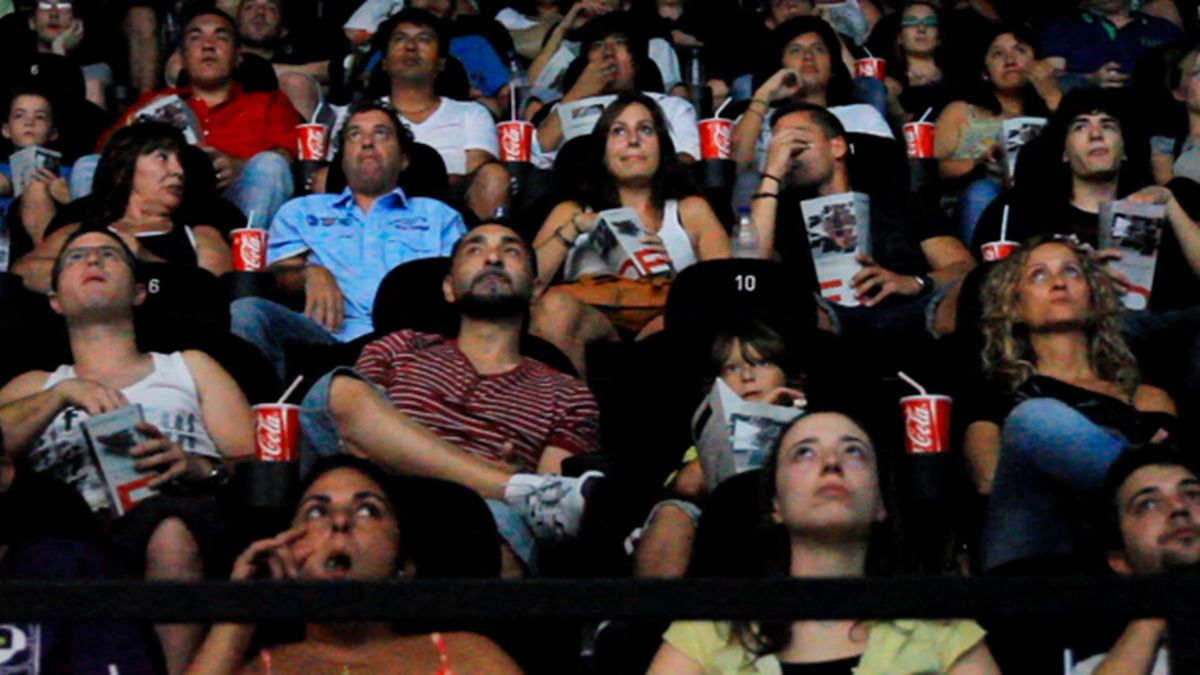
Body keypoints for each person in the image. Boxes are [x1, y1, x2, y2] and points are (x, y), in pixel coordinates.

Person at [0, 228, 256, 674]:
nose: (93, 262)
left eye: (108, 255)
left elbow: (257, 466)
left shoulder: (189, 367)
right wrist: (61, 395)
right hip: (61, 531)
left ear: (139, 292)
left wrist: (199, 466)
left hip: (175, 516)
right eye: (76, 257)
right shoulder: (31, 386)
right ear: (55, 299)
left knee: (171, 528)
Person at [297, 222, 603, 572]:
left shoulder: (568, 393)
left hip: (480, 519)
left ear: (535, 289)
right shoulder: (400, 347)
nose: (492, 258)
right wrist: (505, 481)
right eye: (475, 249)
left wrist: (521, 473)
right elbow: (354, 433)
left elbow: (555, 502)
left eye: (511, 251)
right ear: (448, 288)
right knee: (338, 388)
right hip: (380, 492)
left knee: (494, 519)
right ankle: (506, 486)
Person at [646, 410, 1002, 673]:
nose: (832, 462)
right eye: (804, 452)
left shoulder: (941, 627)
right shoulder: (711, 629)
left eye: (854, 452)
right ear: (776, 505)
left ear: (881, 503)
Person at [184, 455, 523, 674]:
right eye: (317, 511)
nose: (341, 522)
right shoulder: (260, 668)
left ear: (403, 564)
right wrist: (240, 612)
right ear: (287, 550)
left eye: (368, 510)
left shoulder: (468, 655)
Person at [965, 237, 1177, 571]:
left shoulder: (1146, 397)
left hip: (1138, 550)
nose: (1058, 282)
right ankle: (1131, 486)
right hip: (1036, 553)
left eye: (1072, 272)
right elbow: (989, 479)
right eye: (1038, 275)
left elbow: (1181, 487)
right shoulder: (999, 394)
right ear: (1015, 308)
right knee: (1035, 417)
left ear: (1094, 300)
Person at [231, 99, 464, 382]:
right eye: (355, 134)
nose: (367, 142)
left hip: (409, 346)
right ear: (342, 158)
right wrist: (308, 273)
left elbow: (460, 288)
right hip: (323, 339)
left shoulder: (439, 216)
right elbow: (276, 277)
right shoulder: (302, 211)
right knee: (247, 312)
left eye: (381, 133)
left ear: (403, 159)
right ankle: (266, 418)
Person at [748, 102, 975, 345]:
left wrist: (914, 283)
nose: (786, 152)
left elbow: (964, 267)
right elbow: (750, 265)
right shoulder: (779, 211)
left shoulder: (898, 201)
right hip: (827, 321)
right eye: (777, 144)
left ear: (837, 146)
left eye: (796, 141)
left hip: (910, 311)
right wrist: (772, 173)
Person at [533, 92, 729, 338]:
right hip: (591, 328)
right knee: (555, 308)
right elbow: (525, 284)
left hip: (666, 329)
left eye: (645, 130)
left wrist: (670, 275)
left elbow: (725, 291)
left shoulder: (691, 209)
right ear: (602, 151)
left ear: (662, 146)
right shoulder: (572, 211)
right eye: (619, 131)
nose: (633, 140)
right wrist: (573, 229)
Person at [632, 320, 808, 578]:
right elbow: (688, 485)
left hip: (792, 519)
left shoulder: (812, 425)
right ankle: (645, 615)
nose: (747, 377)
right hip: (719, 524)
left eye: (762, 364)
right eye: (732, 368)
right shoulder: (711, 431)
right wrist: (755, 421)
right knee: (673, 512)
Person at [93, 6, 300, 225]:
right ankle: (95, 246)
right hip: (158, 201)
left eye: (221, 37)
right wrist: (135, 121)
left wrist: (240, 166)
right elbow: (104, 152)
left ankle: (248, 253)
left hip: (238, 199)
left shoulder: (269, 102)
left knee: (270, 165)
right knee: (89, 165)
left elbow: (288, 155)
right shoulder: (155, 102)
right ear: (181, 58)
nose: (208, 46)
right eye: (195, 38)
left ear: (239, 57)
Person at [325, 9, 509, 222]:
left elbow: (479, 172)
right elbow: (339, 175)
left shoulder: (472, 113)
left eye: (424, 40)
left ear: (441, 62)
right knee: (322, 177)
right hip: (367, 205)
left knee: (494, 175)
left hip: (450, 210)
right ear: (383, 62)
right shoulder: (358, 115)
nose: (411, 47)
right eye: (400, 39)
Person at [12, 122, 234, 294]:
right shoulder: (82, 230)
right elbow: (23, 272)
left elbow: (217, 292)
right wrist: (112, 271)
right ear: (124, 168)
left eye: (180, 161)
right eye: (162, 157)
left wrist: (144, 260)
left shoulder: (200, 234)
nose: (178, 170)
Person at [1071, 443, 1200, 675]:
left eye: (1193, 495)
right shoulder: (1096, 668)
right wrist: (1157, 604)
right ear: (1120, 561)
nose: (1179, 508)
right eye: (1148, 504)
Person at [932, 25, 1060, 242]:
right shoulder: (965, 111)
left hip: (1042, 195)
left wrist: (1050, 93)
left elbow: (1080, 142)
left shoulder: (1055, 106)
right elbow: (939, 168)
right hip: (985, 196)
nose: (1010, 60)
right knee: (983, 190)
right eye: (998, 53)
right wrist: (979, 157)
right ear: (985, 72)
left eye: (1019, 50)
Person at [531, 11, 700, 166]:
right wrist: (577, 93)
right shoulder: (566, 109)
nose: (608, 53)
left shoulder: (672, 107)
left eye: (620, 43)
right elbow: (536, 158)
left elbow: (687, 160)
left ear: (638, 61)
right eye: (598, 45)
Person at [730, 16, 893, 175]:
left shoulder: (862, 115)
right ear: (780, 66)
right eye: (795, 50)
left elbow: (888, 173)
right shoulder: (755, 117)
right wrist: (763, 95)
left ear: (832, 69)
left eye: (818, 49)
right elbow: (734, 168)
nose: (808, 56)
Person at [1039, 0, 1182, 92]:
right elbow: (1048, 81)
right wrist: (1090, 79)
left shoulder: (1164, 30)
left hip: (1157, 123)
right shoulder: (1062, 28)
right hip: (1090, 119)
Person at [0, 88, 71, 250]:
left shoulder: (69, 173)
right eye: (19, 115)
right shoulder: (2, 170)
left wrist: (69, 198)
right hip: (8, 235)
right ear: (6, 130)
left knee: (37, 188)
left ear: (53, 133)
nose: (29, 122)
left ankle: (46, 255)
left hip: (59, 232)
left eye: (40, 117)